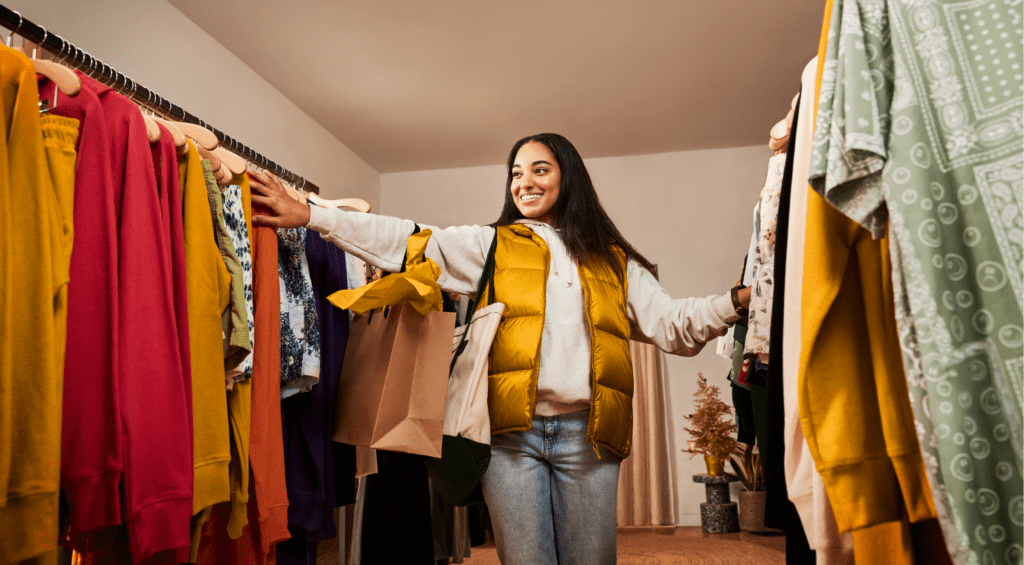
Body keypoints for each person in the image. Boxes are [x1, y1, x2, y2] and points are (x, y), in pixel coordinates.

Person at [250, 133, 751, 565]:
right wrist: (313, 215)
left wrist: (735, 301)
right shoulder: (491, 244)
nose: (524, 181)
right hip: (511, 438)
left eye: (539, 169)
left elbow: (673, 325)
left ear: (567, 178)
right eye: (516, 172)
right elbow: (410, 240)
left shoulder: (612, 261)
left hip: (591, 439)